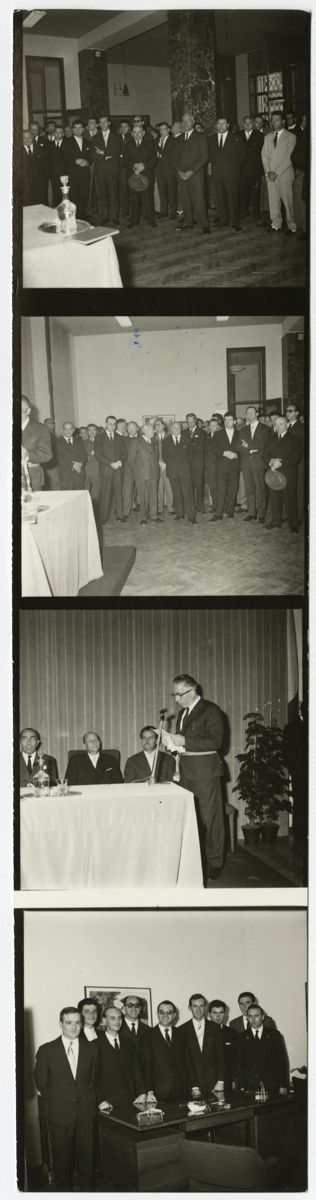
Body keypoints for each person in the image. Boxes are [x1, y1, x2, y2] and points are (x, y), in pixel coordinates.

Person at [161, 674, 225, 883]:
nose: (176, 699)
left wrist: (184, 740)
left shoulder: (211, 711)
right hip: (186, 773)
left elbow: (215, 742)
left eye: (179, 694)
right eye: (174, 694)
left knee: (211, 819)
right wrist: (170, 741)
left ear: (193, 690)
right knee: (192, 819)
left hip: (206, 773)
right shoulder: (182, 714)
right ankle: (196, 861)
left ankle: (215, 863)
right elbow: (183, 745)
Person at [34, 1006, 99, 1191]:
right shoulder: (47, 1050)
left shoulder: (92, 1049)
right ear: (61, 1023)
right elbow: (41, 1082)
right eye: (69, 1022)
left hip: (86, 1114)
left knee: (87, 1163)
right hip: (60, 1115)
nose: (74, 1027)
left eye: (78, 1023)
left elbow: (93, 1080)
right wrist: (59, 1100)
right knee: (62, 1164)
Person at [97, 1006, 146, 1110]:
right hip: (107, 1104)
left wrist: (142, 1093)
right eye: (112, 1018)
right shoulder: (95, 1045)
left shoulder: (128, 1042)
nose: (117, 1021)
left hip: (130, 1101)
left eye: (119, 1018)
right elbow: (93, 1079)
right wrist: (100, 1100)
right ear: (104, 1020)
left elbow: (136, 1069)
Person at [237, 1004, 288, 1096]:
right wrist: (241, 1086)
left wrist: (283, 1085)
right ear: (247, 1018)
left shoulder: (274, 1035)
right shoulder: (241, 1037)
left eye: (256, 1015)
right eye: (250, 1016)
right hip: (250, 1087)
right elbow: (239, 1063)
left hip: (271, 1085)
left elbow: (281, 1061)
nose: (253, 1019)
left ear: (263, 1017)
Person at [180, 994, 225, 1098]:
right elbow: (184, 1061)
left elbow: (220, 1056)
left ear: (205, 1007)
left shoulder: (215, 1028)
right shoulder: (182, 1030)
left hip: (214, 1084)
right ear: (189, 1008)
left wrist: (220, 1081)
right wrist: (193, 1085)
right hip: (192, 1085)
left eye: (201, 1006)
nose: (198, 1009)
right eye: (195, 1006)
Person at [263, 415, 301, 532]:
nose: (278, 426)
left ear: (287, 425)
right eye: (276, 424)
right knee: (275, 498)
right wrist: (271, 461)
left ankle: (293, 524)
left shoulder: (294, 439)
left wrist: (282, 463)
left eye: (281, 424)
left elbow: (296, 457)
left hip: (288, 473)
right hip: (274, 473)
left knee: (290, 498)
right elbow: (264, 454)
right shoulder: (271, 438)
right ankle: (276, 522)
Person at [261, 111, 296, 233]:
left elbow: (289, 158)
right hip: (270, 175)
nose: (273, 122)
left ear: (283, 121)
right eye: (272, 120)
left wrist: (275, 172)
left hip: (284, 175)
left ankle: (292, 226)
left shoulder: (291, 137)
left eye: (276, 120)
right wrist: (268, 172)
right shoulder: (267, 137)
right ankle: (276, 224)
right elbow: (264, 155)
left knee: (288, 202)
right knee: (273, 202)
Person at [208, 117, 245, 231]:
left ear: (228, 125)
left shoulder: (236, 139)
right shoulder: (210, 139)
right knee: (220, 198)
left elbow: (242, 156)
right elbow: (209, 156)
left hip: (231, 174)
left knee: (232, 198)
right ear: (216, 125)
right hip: (217, 174)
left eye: (223, 123)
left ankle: (235, 222)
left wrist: (232, 169)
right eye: (218, 123)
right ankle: (223, 220)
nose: (221, 126)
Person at [174, 113, 209, 234]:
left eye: (188, 121)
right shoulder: (178, 139)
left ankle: (204, 224)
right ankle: (188, 222)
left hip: (195, 174)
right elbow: (175, 158)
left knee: (198, 200)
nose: (185, 123)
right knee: (185, 199)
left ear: (193, 122)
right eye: (183, 121)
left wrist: (191, 171)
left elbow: (204, 157)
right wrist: (179, 171)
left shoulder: (201, 136)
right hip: (181, 174)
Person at [237, 405, 269, 523]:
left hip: (258, 463)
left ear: (257, 414)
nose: (250, 414)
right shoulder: (243, 430)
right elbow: (238, 446)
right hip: (246, 463)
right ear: (246, 415)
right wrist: (250, 449)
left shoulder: (265, 428)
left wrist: (248, 445)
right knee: (249, 489)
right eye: (248, 413)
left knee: (260, 489)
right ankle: (251, 512)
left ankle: (261, 514)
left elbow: (262, 444)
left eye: (252, 412)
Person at [150, 1001, 186, 1101]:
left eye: (169, 1012)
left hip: (181, 1091)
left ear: (174, 1015)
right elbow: (146, 1067)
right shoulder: (148, 1036)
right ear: (157, 1014)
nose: (165, 1015)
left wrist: (194, 1086)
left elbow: (188, 1061)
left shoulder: (181, 1034)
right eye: (162, 1012)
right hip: (159, 1092)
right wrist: (149, 1091)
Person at [123, 122, 157, 228]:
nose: (137, 134)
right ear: (132, 134)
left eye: (139, 132)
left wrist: (144, 166)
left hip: (146, 175)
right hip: (133, 176)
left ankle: (151, 220)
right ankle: (134, 221)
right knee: (134, 199)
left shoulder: (149, 144)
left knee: (148, 199)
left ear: (143, 133)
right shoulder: (128, 145)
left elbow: (153, 159)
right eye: (135, 133)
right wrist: (134, 166)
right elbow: (124, 160)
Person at [95, 415, 127, 525]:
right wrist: (110, 464)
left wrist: (119, 462)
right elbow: (98, 455)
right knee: (106, 493)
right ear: (106, 423)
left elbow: (124, 453)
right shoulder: (99, 437)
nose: (112, 426)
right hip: (106, 469)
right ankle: (103, 517)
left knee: (119, 492)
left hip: (118, 469)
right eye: (110, 424)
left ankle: (120, 515)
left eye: (114, 424)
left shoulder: (120, 437)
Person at [162, 422, 196, 522]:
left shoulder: (187, 439)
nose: (176, 429)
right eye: (174, 428)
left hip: (185, 471)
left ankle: (191, 516)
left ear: (181, 429)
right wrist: (174, 466)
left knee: (188, 493)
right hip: (172, 472)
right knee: (176, 493)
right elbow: (165, 456)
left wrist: (184, 466)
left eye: (178, 428)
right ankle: (179, 514)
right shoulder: (166, 441)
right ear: (171, 429)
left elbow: (191, 455)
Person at [282, 703, 307, 843]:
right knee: (301, 803)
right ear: (301, 710)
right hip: (300, 773)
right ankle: (300, 835)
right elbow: (287, 753)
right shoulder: (291, 728)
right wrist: (299, 769)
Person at [91, 115, 121, 225]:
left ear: (109, 123)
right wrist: (107, 155)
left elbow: (116, 152)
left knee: (114, 193)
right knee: (102, 194)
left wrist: (103, 153)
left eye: (105, 122)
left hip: (112, 169)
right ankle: (104, 216)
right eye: (101, 122)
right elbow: (93, 154)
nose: (103, 124)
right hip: (100, 170)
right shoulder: (95, 137)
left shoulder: (117, 137)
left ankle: (115, 217)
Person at [120, 996, 154, 1092]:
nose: (134, 1008)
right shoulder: (117, 1029)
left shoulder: (149, 1030)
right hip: (124, 1084)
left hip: (145, 1083)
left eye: (137, 1005)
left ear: (140, 1008)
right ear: (124, 1009)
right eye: (130, 1005)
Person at [210, 412, 240, 520]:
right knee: (221, 490)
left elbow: (242, 449)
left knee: (233, 489)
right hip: (221, 466)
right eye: (226, 420)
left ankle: (230, 511)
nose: (227, 422)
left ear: (235, 421)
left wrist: (236, 454)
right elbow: (213, 448)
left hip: (234, 466)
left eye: (230, 420)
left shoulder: (240, 433)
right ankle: (218, 514)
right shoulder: (218, 434)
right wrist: (224, 453)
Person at [62, 121, 92, 219]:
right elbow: (64, 158)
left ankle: (83, 217)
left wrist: (87, 162)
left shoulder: (88, 142)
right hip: (73, 174)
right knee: (74, 196)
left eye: (80, 128)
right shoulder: (66, 141)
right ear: (73, 129)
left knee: (84, 196)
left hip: (85, 174)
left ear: (83, 129)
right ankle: (74, 218)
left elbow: (91, 157)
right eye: (75, 128)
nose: (78, 130)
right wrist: (75, 160)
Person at [21, 395, 52, 489]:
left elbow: (47, 455)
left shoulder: (41, 429)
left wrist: (26, 454)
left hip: (31, 478)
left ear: (28, 411)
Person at [208, 999, 239, 1093]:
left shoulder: (232, 1033)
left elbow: (234, 1059)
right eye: (214, 1013)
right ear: (209, 1014)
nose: (218, 1016)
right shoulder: (203, 1033)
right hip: (207, 1081)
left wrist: (234, 1080)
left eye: (221, 1012)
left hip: (227, 1081)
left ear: (225, 1014)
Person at [239, 115, 264, 224]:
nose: (248, 125)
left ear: (253, 124)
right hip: (241, 171)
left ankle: (257, 214)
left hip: (255, 171)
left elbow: (263, 155)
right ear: (242, 124)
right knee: (243, 193)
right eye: (245, 123)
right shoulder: (237, 135)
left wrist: (260, 172)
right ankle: (244, 212)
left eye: (250, 123)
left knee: (255, 194)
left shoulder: (260, 136)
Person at [133, 424, 160, 524]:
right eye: (153, 430)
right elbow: (131, 459)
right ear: (145, 431)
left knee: (154, 495)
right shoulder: (136, 441)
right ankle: (144, 517)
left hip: (154, 473)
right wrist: (137, 472)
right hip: (141, 474)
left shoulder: (154, 441)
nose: (154, 432)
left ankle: (154, 516)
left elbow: (156, 457)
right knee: (143, 496)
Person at [285, 402, 304, 523]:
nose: (287, 413)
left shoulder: (301, 428)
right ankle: (290, 515)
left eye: (290, 411)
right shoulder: (286, 426)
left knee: (298, 490)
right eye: (287, 411)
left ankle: (298, 517)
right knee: (288, 489)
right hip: (287, 463)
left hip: (298, 463)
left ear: (297, 413)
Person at [183, 412, 206, 513]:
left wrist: (191, 445)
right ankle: (191, 506)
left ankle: (200, 506)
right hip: (187, 464)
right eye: (188, 422)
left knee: (199, 485)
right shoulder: (184, 433)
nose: (190, 424)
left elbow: (200, 447)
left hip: (198, 463)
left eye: (192, 421)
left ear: (196, 420)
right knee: (189, 486)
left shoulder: (202, 432)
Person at [155, 122, 178, 219]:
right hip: (159, 169)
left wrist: (161, 155)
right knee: (162, 191)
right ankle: (163, 211)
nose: (162, 131)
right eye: (160, 129)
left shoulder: (173, 140)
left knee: (171, 191)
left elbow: (173, 154)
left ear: (168, 130)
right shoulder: (156, 140)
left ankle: (173, 212)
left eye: (164, 129)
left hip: (170, 169)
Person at [56, 421, 87, 490]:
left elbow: (84, 455)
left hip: (79, 474)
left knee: (79, 496)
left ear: (73, 430)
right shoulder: (57, 442)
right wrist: (75, 466)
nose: (68, 431)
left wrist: (81, 464)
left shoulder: (79, 441)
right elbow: (59, 458)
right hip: (66, 475)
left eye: (70, 429)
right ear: (62, 430)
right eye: (66, 429)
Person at [153, 419, 174, 515]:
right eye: (155, 425)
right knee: (159, 488)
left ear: (163, 425)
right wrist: (158, 462)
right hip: (157, 466)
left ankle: (171, 508)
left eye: (159, 424)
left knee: (169, 488)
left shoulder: (170, 436)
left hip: (168, 465)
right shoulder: (152, 437)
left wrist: (166, 463)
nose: (157, 426)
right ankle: (160, 508)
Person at [291, 114, 307, 236]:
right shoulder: (303, 135)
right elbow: (295, 155)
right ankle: (302, 227)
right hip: (302, 172)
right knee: (300, 200)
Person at [22, 128, 47, 205]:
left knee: (41, 205)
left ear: (33, 138)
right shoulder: (16, 151)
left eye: (29, 137)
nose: (27, 140)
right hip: (24, 185)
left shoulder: (40, 149)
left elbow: (45, 166)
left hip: (39, 184)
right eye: (24, 138)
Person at [122, 421, 139, 517]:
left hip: (141, 468)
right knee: (127, 490)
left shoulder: (143, 438)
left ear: (137, 428)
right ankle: (125, 512)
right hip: (128, 468)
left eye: (133, 428)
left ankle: (146, 513)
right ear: (127, 430)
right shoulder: (123, 440)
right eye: (129, 428)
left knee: (143, 490)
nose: (132, 430)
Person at [205, 416, 221, 512]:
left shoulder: (221, 436)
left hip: (219, 465)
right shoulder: (206, 436)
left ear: (218, 426)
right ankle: (215, 505)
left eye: (214, 425)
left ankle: (221, 506)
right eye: (211, 425)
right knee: (212, 486)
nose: (212, 427)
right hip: (210, 465)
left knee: (221, 486)